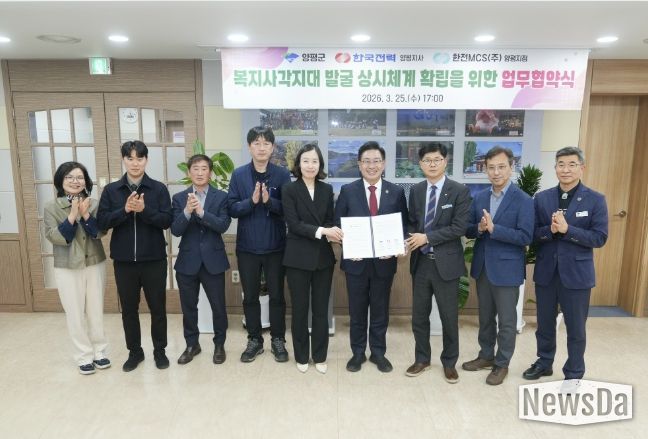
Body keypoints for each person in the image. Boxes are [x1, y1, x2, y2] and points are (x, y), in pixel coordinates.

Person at [523, 146, 608, 383]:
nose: (566, 169)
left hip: (577, 274)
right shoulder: (542, 198)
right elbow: (532, 234)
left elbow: (599, 238)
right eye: (561, 164)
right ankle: (544, 362)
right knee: (544, 325)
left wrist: (568, 230)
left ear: (582, 168)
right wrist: (550, 231)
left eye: (572, 164)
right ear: (555, 168)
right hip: (547, 273)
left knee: (576, 328)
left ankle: (574, 373)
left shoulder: (595, 199)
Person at [97, 140, 173, 372]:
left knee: (158, 308)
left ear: (146, 160)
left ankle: (160, 351)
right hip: (124, 262)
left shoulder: (158, 189)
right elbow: (102, 222)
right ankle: (135, 352)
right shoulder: (112, 190)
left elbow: (166, 221)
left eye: (139, 158)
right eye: (130, 158)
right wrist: (125, 210)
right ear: (123, 160)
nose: (135, 163)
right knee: (129, 310)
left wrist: (144, 210)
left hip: (154, 260)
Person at [462, 146, 534, 385]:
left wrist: (495, 229)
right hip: (483, 268)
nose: (496, 172)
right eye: (491, 167)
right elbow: (468, 229)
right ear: (485, 169)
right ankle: (486, 356)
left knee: (507, 321)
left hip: (507, 270)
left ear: (511, 168)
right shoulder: (480, 197)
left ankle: (502, 364)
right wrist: (479, 228)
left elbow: (525, 236)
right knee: (485, 318)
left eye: (501, 167)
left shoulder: (523, 200)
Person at [334, 141, 408, 373]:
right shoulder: (348, 191)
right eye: (366, 161)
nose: (371, 165)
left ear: (383, 164)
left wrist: (398, 245)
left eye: (376, 161)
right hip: (355, 264)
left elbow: (403, 226)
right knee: (356, 311)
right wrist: (348, 245)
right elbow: (338, 225)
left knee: (380, 311)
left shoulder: (396, 192)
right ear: (359, 164)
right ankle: (357, 353)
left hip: (384, 264)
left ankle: (378, 353)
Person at [404, 142, 471, 383]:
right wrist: (406, 240)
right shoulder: (416, 190)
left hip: (447, 265)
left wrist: (427, 237)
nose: (432, 164)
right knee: (419, 317)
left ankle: (449, 363)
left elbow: (459, 228)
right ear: (420, 164)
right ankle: (422, 359)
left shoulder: (459, 191)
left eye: (437, 159)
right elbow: (412, 223)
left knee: (448, 317)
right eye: (427, 160)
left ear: (445, 161)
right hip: (421, 262)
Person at [228, 126, 291, 363]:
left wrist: (269, 201)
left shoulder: (282, 175)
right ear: (249, 147)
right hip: (248, 248)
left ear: (272, 147)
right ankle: (254, 339)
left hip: (276, 247)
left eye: (266, 143)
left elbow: (288, 209)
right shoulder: (239, 175)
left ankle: (278, 339)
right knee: (250, 297)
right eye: (257, 143)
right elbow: (232, 208)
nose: (261, 148)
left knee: (277, 296)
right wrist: (252, 201)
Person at [43, 162, 109, 375]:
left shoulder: (94, 204)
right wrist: (72, 214)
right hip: (67, 266)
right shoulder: (51, 207)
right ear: (60, 181)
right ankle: (83, 355)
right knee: (74, 312)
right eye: (69, 177)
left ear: (86, 182)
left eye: (80, 177)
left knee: (96, 309)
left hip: (94, 263)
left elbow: (100, 233)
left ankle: (100, 352)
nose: (75, 181)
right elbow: (55, 237)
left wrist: (86, 214)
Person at [282, 144, 342, 374]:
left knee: (320, 310)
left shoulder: (327, 190)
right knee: (299, 309)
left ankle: (320, 355)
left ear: (320, 165)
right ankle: (301, 355)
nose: (310, 165)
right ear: (299, 164)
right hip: (297, 258)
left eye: (314, 161)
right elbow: (294, 224)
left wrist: (332, 231)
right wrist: (324, 231)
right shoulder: (289, 189)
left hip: (323, 259)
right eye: (306, 161)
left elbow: (329, 220)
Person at [171, 154, 231, 365]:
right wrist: (188, 211)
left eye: (204, 168)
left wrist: (202, 212)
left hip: (213, 260)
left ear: (210, 173)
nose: (199, 172)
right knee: (189, 307)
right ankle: (192, 345)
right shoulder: (179, 198)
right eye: (195, 168)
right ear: (189, 172)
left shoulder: (221, 197)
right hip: (187, 261)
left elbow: (223, 225)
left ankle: (219, 344)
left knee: (218, 307)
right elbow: (176, 230)